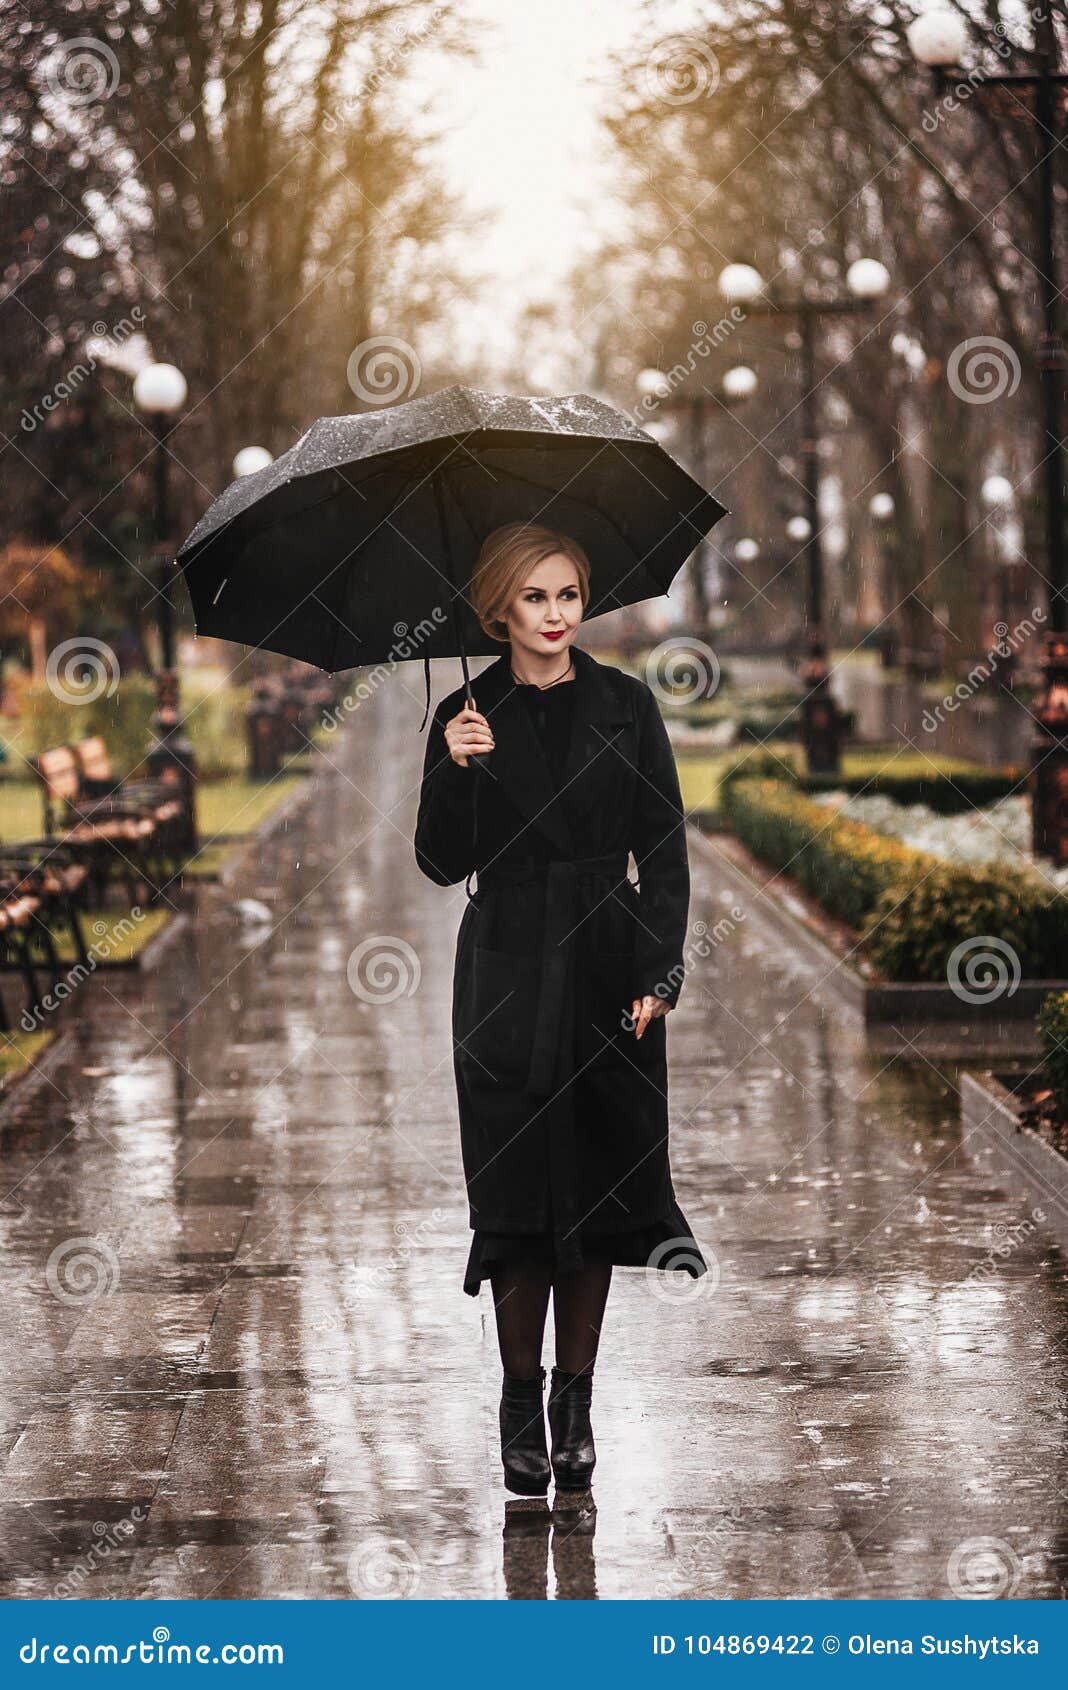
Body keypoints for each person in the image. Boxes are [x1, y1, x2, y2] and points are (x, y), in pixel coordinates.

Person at [414, 521, 707, 1497]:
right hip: (501, 967)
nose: (555, 615)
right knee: (516, 1196)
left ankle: (575, 1406)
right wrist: (453, 768)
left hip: (608, 962)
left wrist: (659, 974)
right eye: (536, 598)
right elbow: (440, 860)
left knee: (599, 1181)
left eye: (570, 595)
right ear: (501, 607)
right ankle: (517, 1397)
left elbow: (663, 854)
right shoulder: (464, 710)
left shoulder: (627, 706)